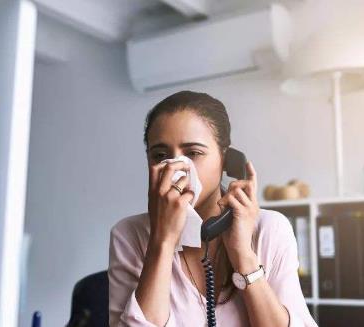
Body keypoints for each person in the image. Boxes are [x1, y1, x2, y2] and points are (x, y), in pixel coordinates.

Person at [108, 90, 318, 326]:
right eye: (160, 155)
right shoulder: (128, 235)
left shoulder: (270, 229)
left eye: (193, 153)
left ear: (226, 161)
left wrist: (243, 256)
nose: (177, 168)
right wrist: (162, 241)